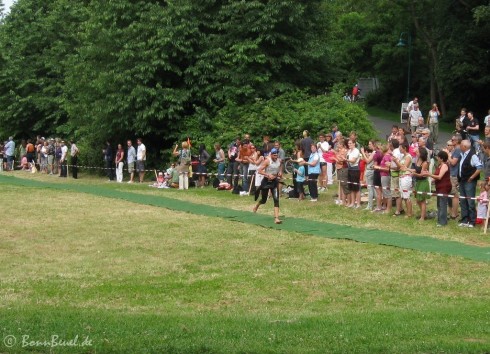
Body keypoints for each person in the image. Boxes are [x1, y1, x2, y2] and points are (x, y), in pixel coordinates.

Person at [253, 148, 283, 224]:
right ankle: (257, 205)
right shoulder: (267, 161)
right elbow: (259, 170)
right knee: (264, 200)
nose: (276, 157)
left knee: (276, 199)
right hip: (266, 182)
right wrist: (267, 174)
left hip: (274, 182)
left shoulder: (279, 161)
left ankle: (276, 218)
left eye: (276, 155)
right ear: (271, 155)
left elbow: (280, 168)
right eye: (274, 155)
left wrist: (279, 173)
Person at [458, 139, 483, 228]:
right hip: (462, 180)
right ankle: (465, 219)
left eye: (460, 145)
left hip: (469, 182)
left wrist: (472, 177)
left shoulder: (472, 155)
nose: (459, 146)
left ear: (464, 147)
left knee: (470, 201)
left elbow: (479, 167)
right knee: (463, 200)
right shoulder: (462, 154)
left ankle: (472, 220)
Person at [424, 151, 451, 226]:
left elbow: (439, 177)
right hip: (439, 187)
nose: (437, 158)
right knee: (439, 204)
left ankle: (442, 222)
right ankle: (440, 219)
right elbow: (436, 177)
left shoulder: (445, 165)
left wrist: (429, 174)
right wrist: (430, 179)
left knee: (442, 204)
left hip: (444, 187)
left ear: (441, 158)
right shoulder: (439, 166)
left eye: (438, 157)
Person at [393, 142, 413, 218]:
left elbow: (404, 167)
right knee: (403, 196)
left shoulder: (408, 156)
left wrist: (396, 161)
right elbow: (399, 167)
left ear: (404, 148)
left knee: (406, 196)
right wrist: (396, 161)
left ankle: (409, 213)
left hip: (406, 177)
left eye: (400, 148)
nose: (399, 149)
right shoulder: (402, 156)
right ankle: (408, 212)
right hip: (401, 177)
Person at [447, 135, 462, 219]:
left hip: (454, 174)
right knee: (452, 194)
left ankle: (454, 214)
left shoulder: (457, 149)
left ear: (457, 141)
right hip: (453, 173)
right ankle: (453, 212)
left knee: (454, 194)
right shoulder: (456, 149)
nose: (451, 141)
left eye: (452, 140)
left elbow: (453, 162)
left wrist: (448, 155)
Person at [346, 139, 361, 208]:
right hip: (349, 169)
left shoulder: (356, 151)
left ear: (354, 144)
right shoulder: (349, 151)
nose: (349, 144)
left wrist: (346, 159)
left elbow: (353, 160)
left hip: (355, 169)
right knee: (351, 187)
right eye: (348, 143)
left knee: (356, 188)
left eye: (351, 143)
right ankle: (352, 202)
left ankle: (358, 204)